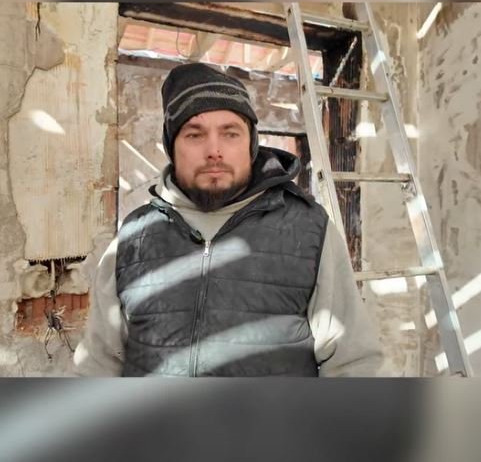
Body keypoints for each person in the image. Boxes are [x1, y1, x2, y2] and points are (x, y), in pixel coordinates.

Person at [74, 62, 383, 377]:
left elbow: (352, 365)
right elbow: (98, 365)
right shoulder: (133, 237)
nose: (214, 150)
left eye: (230, 133)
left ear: (251, 144)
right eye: (194, 134)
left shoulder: (309, 230)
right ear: (171, 148)